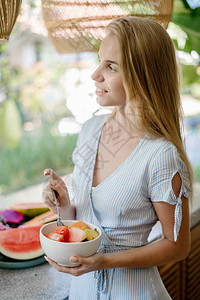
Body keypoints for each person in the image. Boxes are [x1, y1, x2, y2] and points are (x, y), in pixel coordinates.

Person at [42, 16, 193, 300]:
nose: (95, 74)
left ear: (143, 75)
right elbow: (88, 219)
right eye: (100, 61)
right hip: (81, 292)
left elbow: (178, 246)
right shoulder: (90, 131)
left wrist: (106, 261)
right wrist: (65, 204)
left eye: (110, 66)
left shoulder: (161, 154)